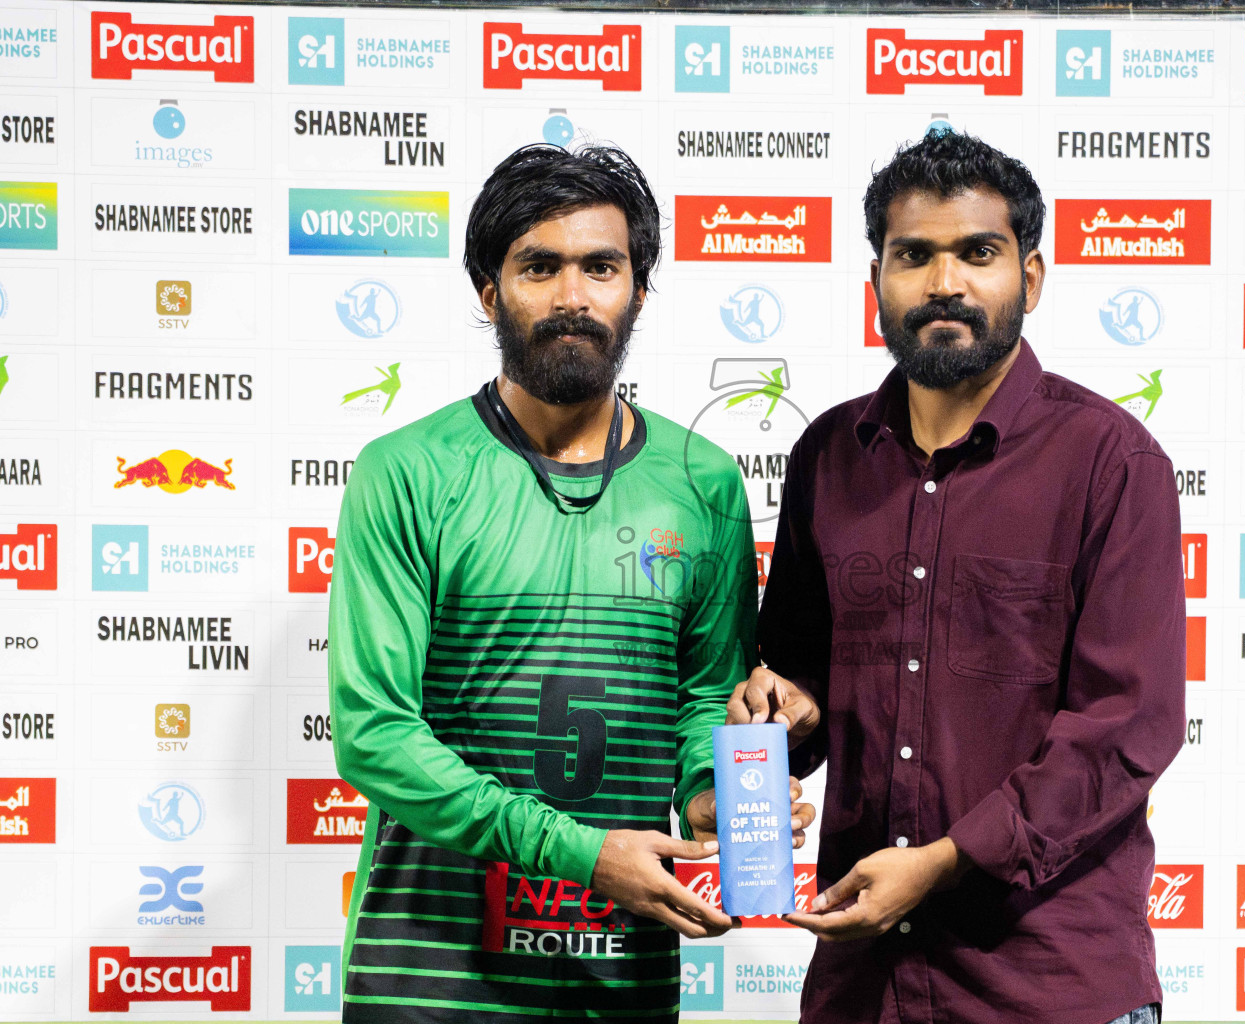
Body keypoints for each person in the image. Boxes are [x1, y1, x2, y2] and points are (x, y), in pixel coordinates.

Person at [329, 143, 810, 1023]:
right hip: (430, 976)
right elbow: (373, 735)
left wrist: (716, 797)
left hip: (620, 971)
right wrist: (580, 852)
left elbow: (705, 697)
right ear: (488, 293)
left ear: (637, 288)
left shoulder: (703, 481)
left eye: (600, 267)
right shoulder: (406, 471)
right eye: (539, 267)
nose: (572, 297)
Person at [732, 130, 1186, 1024]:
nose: (945, 283)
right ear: (876, 285)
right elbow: (801, 684)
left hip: (1050, 987)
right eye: (914, 256)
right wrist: (784, 711)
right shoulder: (828, 454)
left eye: (978, 253)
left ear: (1033, 277)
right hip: (863, 987)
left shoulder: (1111, 461)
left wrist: (942, 861)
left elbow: (1126, 727)